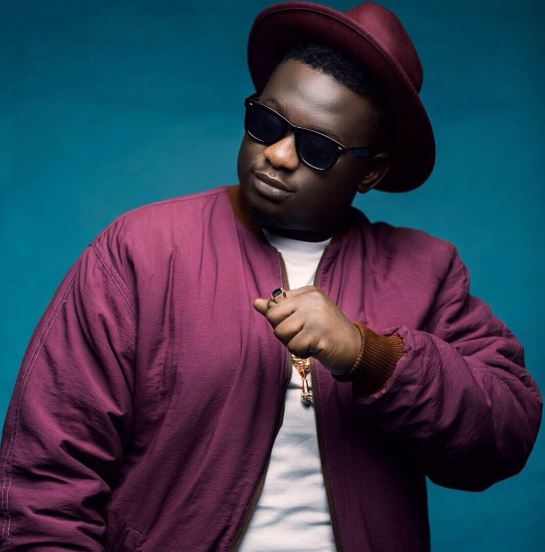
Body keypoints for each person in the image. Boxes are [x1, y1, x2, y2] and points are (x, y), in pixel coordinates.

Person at [0, 1, 541, 550]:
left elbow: (504, 436)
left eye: (317, 148)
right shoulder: (141, 251)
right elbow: (44, 485)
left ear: (370, 172)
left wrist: (368, 355)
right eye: (266, 123)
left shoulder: (425, 271)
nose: (278, 155)